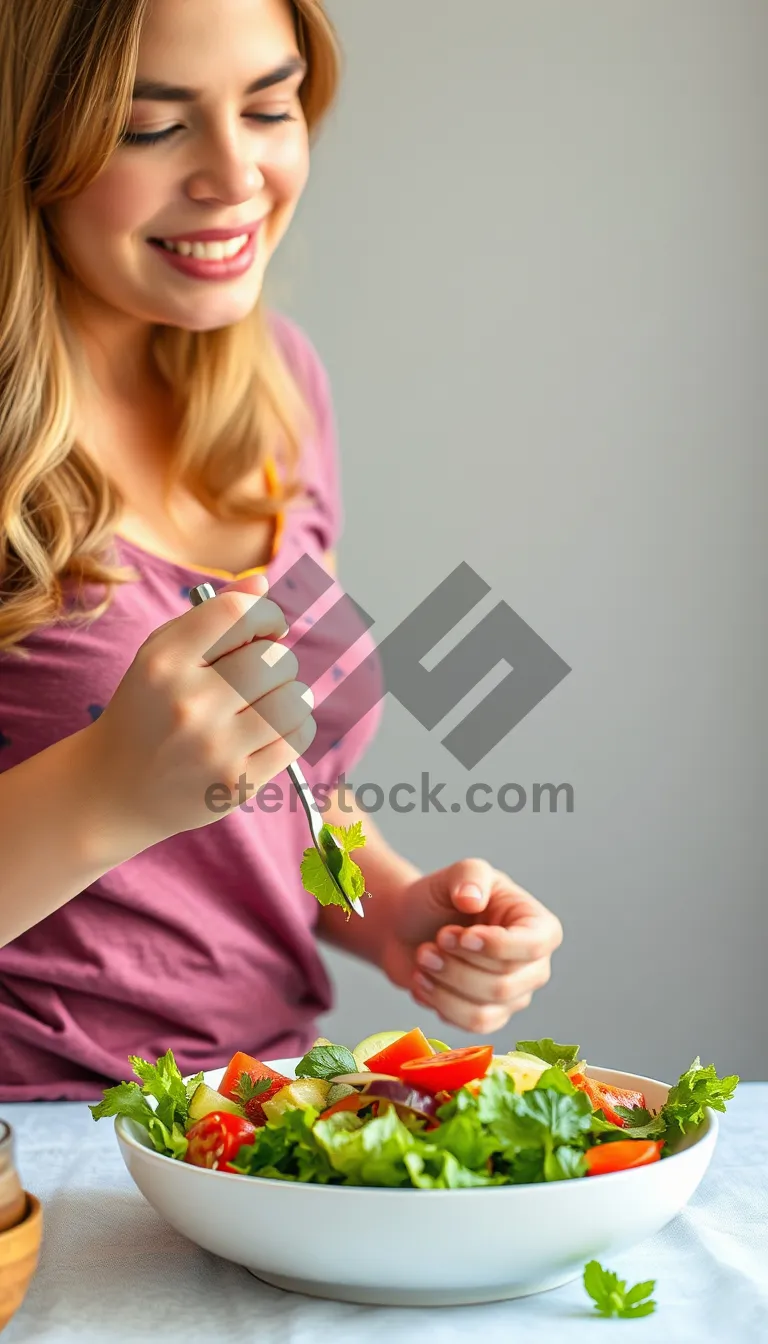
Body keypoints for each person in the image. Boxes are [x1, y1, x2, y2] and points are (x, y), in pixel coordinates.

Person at [0, 0, 563, 1101]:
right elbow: (151, 787)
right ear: (29, 140)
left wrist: (393, 909)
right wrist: (103, 792)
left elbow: (275, 783)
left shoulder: (277, 390)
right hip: (30, 1147)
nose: (235, 175)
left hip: (257, 1115)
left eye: (270, 107)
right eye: (150, 126)